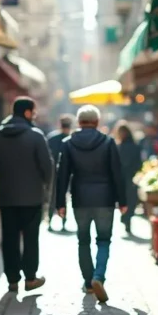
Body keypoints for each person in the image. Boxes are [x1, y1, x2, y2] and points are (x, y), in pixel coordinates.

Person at [54, 105, 127, 303]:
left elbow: (62, 176)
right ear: (97, 122)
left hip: (80, 199)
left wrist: (59, 203)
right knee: (103, 240)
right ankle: (98, 277)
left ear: (79, 122)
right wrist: (123, 200)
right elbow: (117, 173)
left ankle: (88, 283)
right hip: (105, 199)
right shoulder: (108, 142)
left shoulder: (68, 143)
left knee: (83, 240)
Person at [0, 97, 53, 292]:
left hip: (7, 195)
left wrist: (3, 172)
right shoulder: (36, 135)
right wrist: (45, 186)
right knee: (31, 238)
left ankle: (12, 279)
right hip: (32, 196)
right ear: (28, 113)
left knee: (9, 237)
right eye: (34, 111)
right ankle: (30, 278)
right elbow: (47, 167)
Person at [46, 115, 75, 232]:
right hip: (67, 173)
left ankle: (50, 221)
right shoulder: (71, 139)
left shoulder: (52, 138)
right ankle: (63, 221)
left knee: (52, 197)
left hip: (52, 172)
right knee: (64, 197)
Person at [115, 121, 142, 234]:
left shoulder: (119, 147)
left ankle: (125, 218)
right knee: (130, 200)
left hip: (126, 177)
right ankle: (126, 218)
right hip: (130, 177)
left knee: (126, 200)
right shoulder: (134, 146)